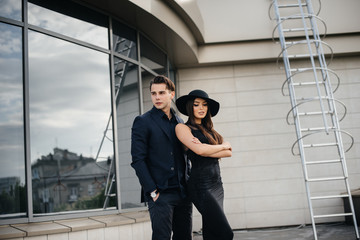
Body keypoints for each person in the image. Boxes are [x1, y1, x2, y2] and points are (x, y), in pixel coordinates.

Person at [130, 75, 192, 240]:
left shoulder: (179, 122)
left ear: (171, 94)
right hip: (161, 194)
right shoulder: (142, 121)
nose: (157, 97)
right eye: (153, 93)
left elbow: (185, 155)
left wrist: (189, 180)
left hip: (183, 193)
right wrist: (152, 191)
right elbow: (138, 160)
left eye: (162, 93)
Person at [175, 89, 234, 240]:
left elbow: (229, 153)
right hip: (200, 185)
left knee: (212, 232)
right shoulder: (183, 128)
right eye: (196, 104)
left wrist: (210, 148)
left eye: (204, 105)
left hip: (217, 184)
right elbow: (200, 150)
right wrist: (223, 145)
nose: (201, 108)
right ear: (190, 107)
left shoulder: (210, 131)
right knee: (225, 232)